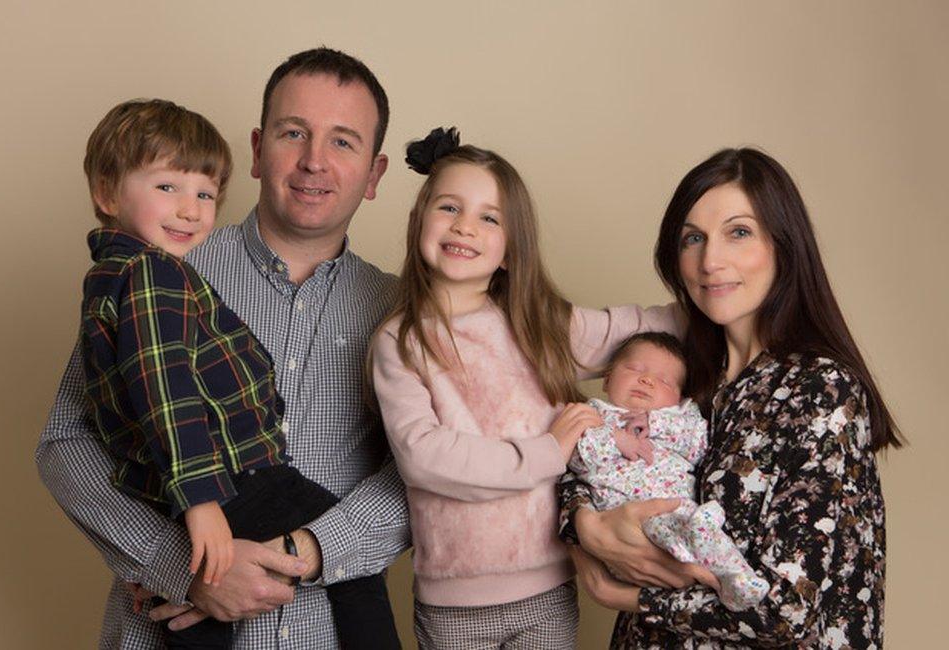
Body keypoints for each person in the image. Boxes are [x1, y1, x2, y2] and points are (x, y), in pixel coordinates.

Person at [37, 48, 410, 649]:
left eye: (343, 142)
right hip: (160, 626)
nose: (314, 161)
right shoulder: (161, 266)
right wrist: (181, 563)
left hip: (323, 632)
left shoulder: (405, 311)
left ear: (374, 174)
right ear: (259, 150)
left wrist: (309, 551)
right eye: (295, 133)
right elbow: (66, 441)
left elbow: (424, 474)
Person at [560, 148, 901, 647]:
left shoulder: (818, 389)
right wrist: (583, 527)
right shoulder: (685, 377)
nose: (710, 261)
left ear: (783, 245)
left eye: (738, 232)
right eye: (692, 238)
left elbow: (787, 608)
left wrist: (626, 596)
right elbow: (590, 449)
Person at [369, 127, 678, 649]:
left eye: (489, 218)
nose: (465, 226)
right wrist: (546, 452)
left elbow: (637, 326)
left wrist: (724, 299)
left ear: (512, 250)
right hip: (453, 601)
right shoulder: (400, 341)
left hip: (548, 588)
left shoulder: (537, 323)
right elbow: (424, 456)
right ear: (420, 219)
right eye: (449, 207)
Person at [567, 331, 769, 611]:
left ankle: (738, 579)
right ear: (607, 379)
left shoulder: (681, 416)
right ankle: (694, 552)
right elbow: (576, 458)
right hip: (626, 521)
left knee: (705, 533)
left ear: (679, 396)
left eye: (663, 380)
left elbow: (700, 447)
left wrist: (657, 423)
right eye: (634, 369)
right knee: (668, 537)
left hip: (678, 506)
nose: (647, 380)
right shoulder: (593, 416)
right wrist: (615, 437)